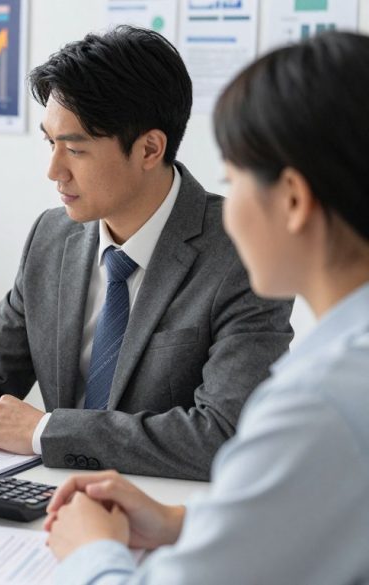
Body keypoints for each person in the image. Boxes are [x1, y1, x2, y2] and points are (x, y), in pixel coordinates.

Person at [0, 25, 294, 481]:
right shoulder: (53, 236)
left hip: (169, 515)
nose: (54, 170)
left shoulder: (244, 251)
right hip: (57, 503)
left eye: (74, 148)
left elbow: (224, 434)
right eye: (50, 143)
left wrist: (48, 430)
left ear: (150, 148)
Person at [44, 31, 369, 583]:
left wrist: (88, 552)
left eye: (233, 179)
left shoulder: (316, 402)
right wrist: (181, 523)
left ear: (292, 201)